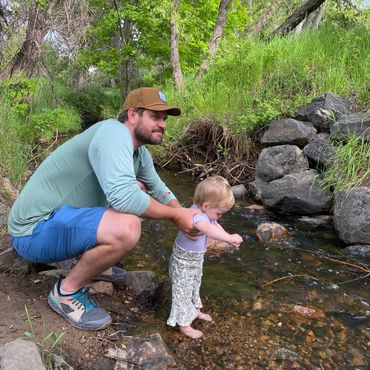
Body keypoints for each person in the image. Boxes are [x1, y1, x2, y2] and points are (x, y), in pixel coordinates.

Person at [7, 87, 200, 331]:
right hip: (32, 232)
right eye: (155, 116)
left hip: (56, 222)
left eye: (164, 119)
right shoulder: (113, 133)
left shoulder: (139, 154)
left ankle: (94, 263)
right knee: (128, 224)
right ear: (132, 115)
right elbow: (122, 198)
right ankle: (65, 293)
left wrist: (185, 215)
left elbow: (158, 188)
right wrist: (176, 215)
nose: (162, 124)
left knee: (141, 193)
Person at [167, 176, 243, 339]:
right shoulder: (197, 217)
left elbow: (215, 225)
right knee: (183, 291)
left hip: (195, 260)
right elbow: (208, 228)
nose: (219, 216)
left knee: (195, 285)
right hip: (184, 263)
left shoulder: (205, 211)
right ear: (206, 206)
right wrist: (228, 238)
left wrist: (227, 236)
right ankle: (184, 325)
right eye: (219, 213)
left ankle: (195, 311)